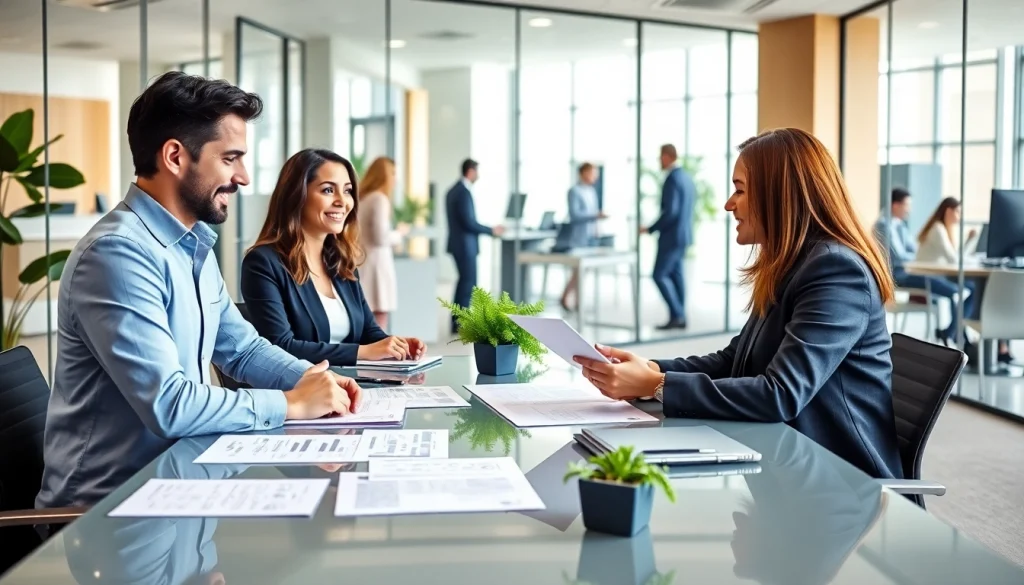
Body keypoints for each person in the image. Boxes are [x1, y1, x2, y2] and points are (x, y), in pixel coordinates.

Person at [36, 72, 361, 510]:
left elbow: (242, 350)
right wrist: (291, 404)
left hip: (179, 484)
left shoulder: (192, 245)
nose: (244, 177)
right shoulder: (117, 254)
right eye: (230, 158)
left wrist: (309, 378)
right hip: (107, 511)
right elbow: (169, 404)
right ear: (175, 156)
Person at [575, 128, 904, 480]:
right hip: (789, 461)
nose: (729, 204)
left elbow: (780, 394)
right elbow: (736, 361)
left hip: (844, 483)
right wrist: (651, 366)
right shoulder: (792, 264)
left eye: (740, 189)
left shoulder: (836, 270)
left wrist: (656, 385)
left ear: (780, 195)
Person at [240, 148, 426, 366]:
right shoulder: (263, 264)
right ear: (296, 195)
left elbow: (368, 331)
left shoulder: (340, 263)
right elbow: (280, 346)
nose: (342, 201)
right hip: (302, 393)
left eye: (347, 191)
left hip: (354, 389)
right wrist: (361, 352)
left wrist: (394, 344)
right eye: (328, 190)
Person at [916, 197, 1012, 362]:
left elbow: (956, 257)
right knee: (970, 290)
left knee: (974, 288)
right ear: (948, 211)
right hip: (929, 275)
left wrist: (969, 240)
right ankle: (956, 331)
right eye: (958, 212)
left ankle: (954, 331)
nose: (960, 216)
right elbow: (954, 259)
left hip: (942, 273)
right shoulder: (938, 229)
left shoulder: (946, 229)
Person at [875, 188, 962, 344]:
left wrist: (918, 257)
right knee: (955, 292)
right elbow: (899, 256)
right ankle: (953, 334)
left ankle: (953, 333)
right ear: (896, 205)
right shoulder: (883, 225)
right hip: (899, 275)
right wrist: (918, 259)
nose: (909, 209)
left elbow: (913, 249)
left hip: (910, 271)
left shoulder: (899, 225)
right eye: (907, 205)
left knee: (957, 290)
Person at [445, 158, 504, 333]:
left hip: (457, 245)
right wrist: (491, 230)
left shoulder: (452, 190)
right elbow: (469, 223)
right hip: (465, 246)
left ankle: (457, 320)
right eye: (477, 172)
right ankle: (459, 322)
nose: (478, 175)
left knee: (463, 282)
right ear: (470, 171)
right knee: (468, 283)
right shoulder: (463, 192)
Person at [641, 144, 695, 330]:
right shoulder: (686, 177)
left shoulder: (672, 178)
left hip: (671, 237)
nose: (659, 161)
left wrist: (650, 229)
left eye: (659, 157)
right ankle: (679, 317)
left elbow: (671, 211)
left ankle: (678, 314)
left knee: (659, 275)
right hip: (683, 236)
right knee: (676, 275)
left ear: (666, 156)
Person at [357, 156, 408, 330]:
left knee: (367, 315)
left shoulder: (363, 198)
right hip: (377, 265)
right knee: (380, 317)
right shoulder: (380, 199)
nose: (395, 179)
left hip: (363, 262)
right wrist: (399, 234)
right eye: (393, 173)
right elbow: (381, 237)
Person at [560, 162, 607, 311]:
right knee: (577, 270)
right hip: (578, 237)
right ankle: (570, 299)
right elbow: (575, 215)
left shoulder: (592, 191)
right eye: (593, 173)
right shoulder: (574, 191)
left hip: (591, 236)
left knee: (582, 271)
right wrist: (595, 216)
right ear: (584, 173)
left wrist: (597, 227)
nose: (595, 177)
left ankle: (570, 298)